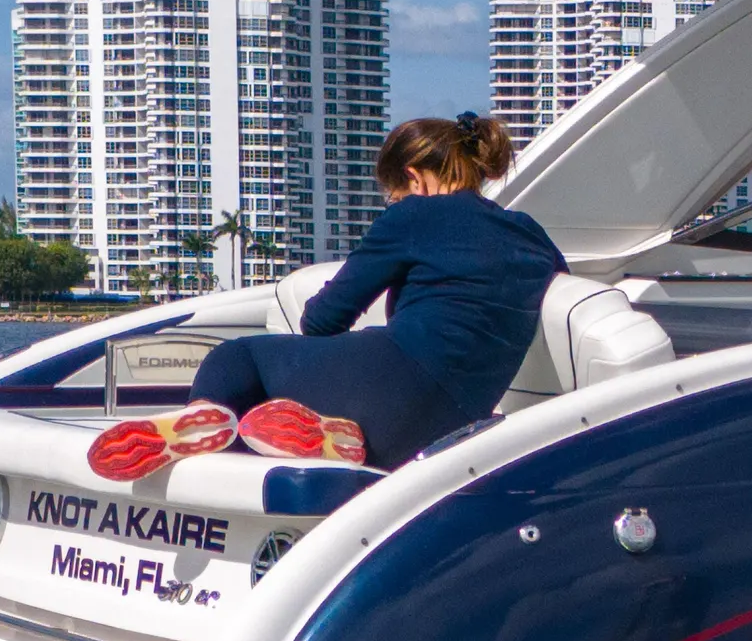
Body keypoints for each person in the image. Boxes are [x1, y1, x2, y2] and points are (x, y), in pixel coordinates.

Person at [179, 115, 564, 470]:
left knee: (239, 357)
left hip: (389, 383)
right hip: (452, 425)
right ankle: (332, 436)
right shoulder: (531, 235)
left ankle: (197, 430)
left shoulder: (416, 214)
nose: (395, 203)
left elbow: (322, 320)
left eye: (394, 195)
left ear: (414, 178)